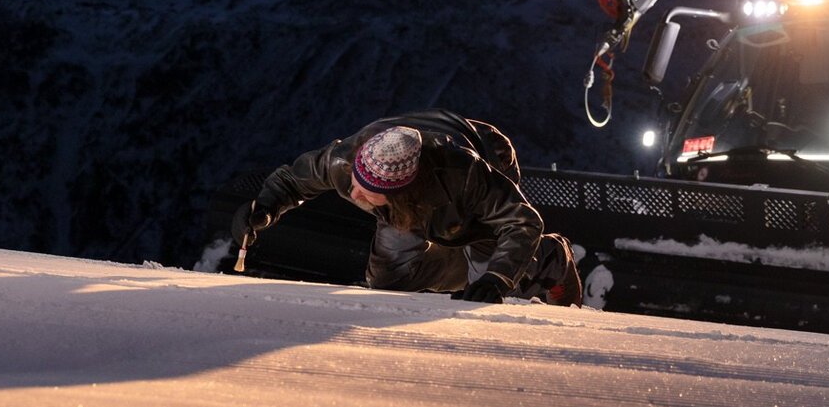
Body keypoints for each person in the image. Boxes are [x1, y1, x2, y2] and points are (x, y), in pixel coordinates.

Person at [231, 109, 582, 306]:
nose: (354, 194)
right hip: (417, 190)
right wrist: (263, 208)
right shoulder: (343, 162)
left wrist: (497, 277)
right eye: (356, 180)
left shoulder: (465, 177)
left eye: (368, 192)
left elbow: (522, 221)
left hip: (487, 156)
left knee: (485, 283)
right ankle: (462, 269)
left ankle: (553, 257)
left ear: (399, 192)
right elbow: (292, 180)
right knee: (389, 280)